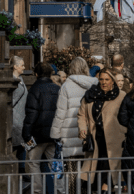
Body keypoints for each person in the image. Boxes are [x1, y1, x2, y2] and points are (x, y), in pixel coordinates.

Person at [51, 58, 98, 194]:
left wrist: (55, 134)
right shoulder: (94, 85)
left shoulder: (66, 86)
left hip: (69, 136)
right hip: (88, 135)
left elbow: (60, 113)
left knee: (71, 175)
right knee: (88, 174)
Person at [77, 67, 127, 193]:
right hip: (95, 139)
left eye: (107, 79)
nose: (104, 82)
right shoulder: (90, 94)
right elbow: (82, 114)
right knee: (94, 171)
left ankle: (105, 189)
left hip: (114, 140)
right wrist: (83, 129)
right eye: (101, 79)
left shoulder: (121, 96)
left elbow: (127, 116)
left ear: (113, 81)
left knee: (109, 168)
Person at [24, 62, 61, 194]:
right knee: (54, 164)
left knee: (33, 163)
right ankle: (58, 190)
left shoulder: (35, 89)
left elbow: (31, 113)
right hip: (53, 133)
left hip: (38, 134)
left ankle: (37, 190)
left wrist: (27, 135)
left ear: (36, 74)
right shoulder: (57, 88)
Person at [11, 56, 32, 194]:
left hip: (20, 119)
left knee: (22, 146)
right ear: (15, 66)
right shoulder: (14, 81)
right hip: (15, 120)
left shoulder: (20, 80)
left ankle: (22, 169)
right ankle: (20, 170)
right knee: (18, 146)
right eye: (22, 65)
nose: (24, 67)